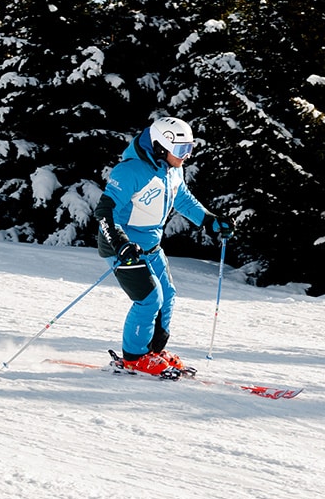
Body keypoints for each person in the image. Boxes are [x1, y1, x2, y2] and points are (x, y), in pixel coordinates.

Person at [94, 116, 234, 375]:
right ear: (160, 146)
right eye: (181, 150)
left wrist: (210, 220)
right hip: (121, 246)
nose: (187, 156)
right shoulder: (130, 171)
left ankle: (154, 352)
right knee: (149, 298)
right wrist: (121, 244)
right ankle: (134, 357)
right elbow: (104, 212)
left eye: (190, 149)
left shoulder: (172, 169)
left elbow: (184, 200)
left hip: (151, 246)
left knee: (167, 295)